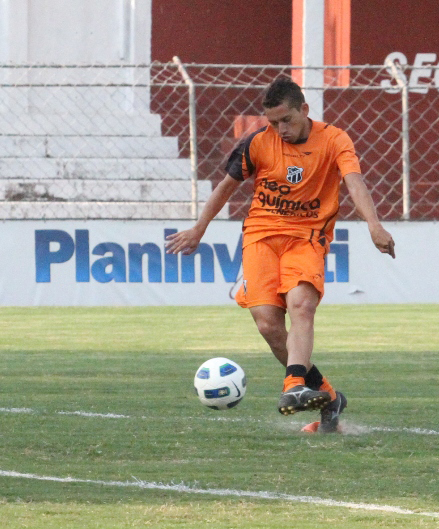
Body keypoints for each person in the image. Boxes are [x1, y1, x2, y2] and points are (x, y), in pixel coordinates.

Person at [165, 77, 395, 433]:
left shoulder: (335, 140)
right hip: (260, 236)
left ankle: (293, 386)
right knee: (269, 324)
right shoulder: (257, 143)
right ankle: (329, 398)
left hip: (307, 236)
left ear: (304, 110)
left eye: (285, 120)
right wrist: (198, 229)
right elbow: (226, 187)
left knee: (301, 305)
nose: (279, 129)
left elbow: (355, 183)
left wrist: (374, 226)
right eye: (272, 122)